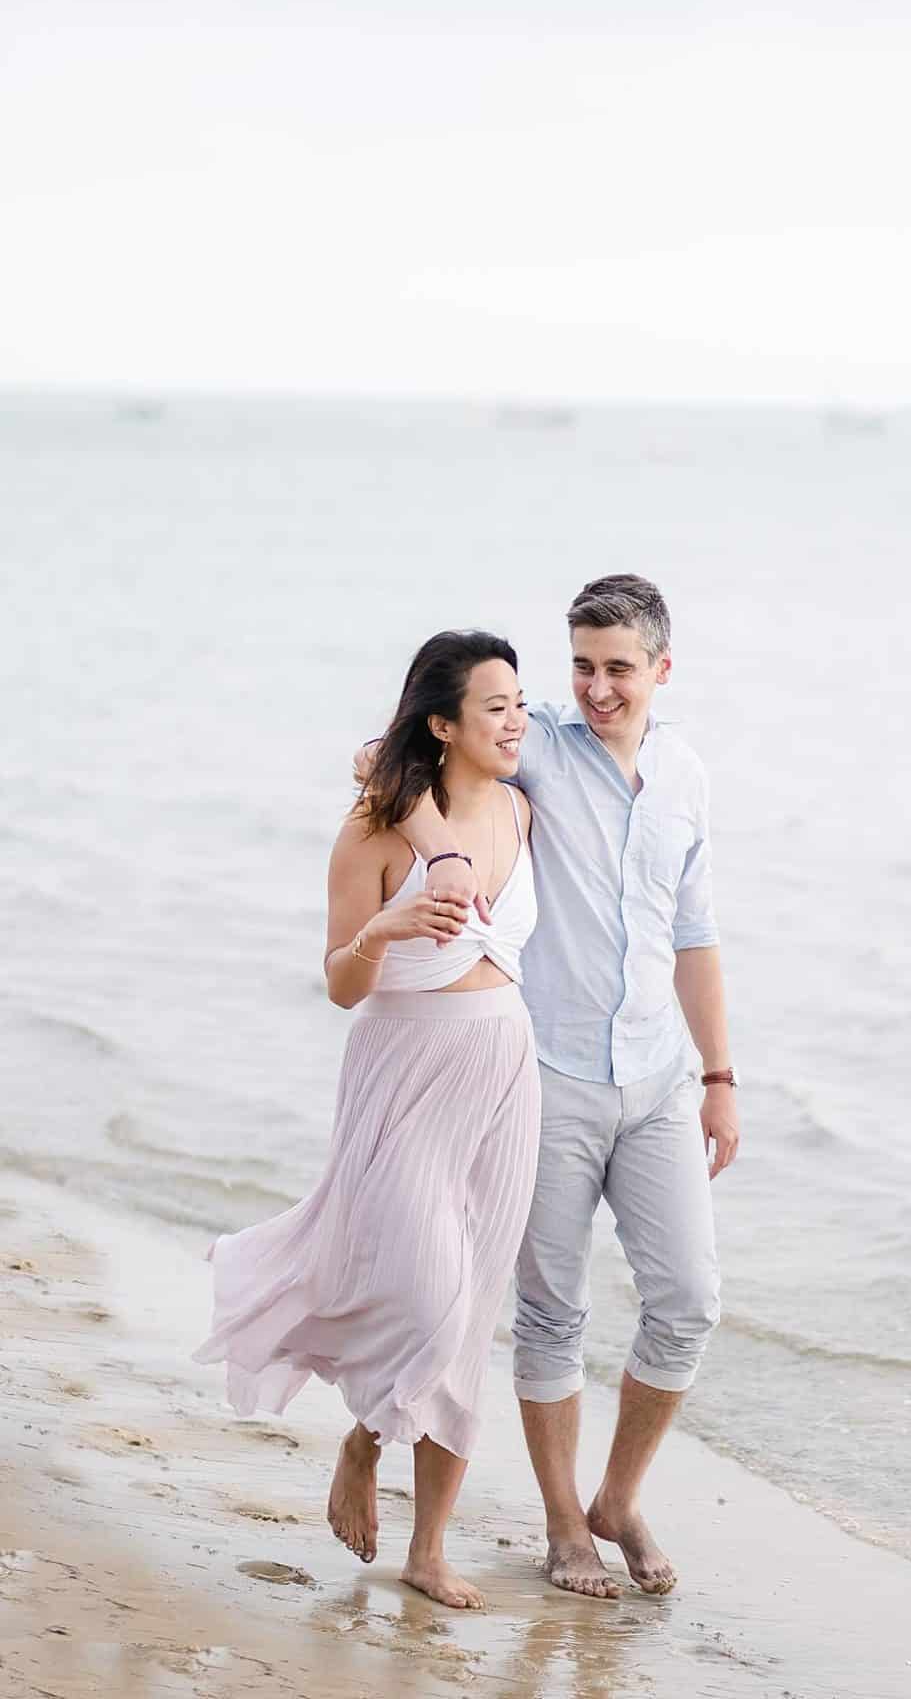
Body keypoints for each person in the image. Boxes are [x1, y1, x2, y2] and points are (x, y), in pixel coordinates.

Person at [378, 574, 740, 1600]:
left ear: (663, 671)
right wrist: (444, 856)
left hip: (662, 1079)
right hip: (548, 1078)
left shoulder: (686, 775)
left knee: (688, 1302)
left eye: (619, 669)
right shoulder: (532, 741)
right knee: (551, 1314)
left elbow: (695, 934)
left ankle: (619, 1497)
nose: (596, 688)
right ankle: (563, 1525)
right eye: (580, 665)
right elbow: (387, 758)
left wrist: (720, 1077)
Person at [194, 631, 539, 1610]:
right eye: (496, 707)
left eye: (521, 703)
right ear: (442, 724)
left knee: (470, 1315)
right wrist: (381, 931)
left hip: (505, 1075)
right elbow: (343, 984)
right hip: (402, 1074)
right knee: (428, 1298)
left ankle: (429, 1547)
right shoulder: (371, 834)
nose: (518, 722)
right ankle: (364, 1436)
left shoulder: (519, 809)